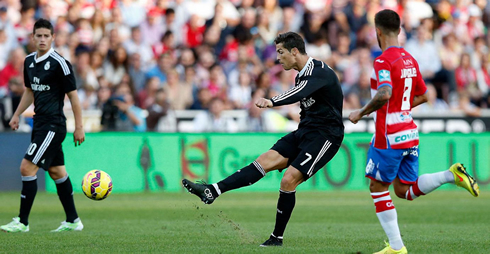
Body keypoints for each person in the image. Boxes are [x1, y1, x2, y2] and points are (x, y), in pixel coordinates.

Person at [182, 32, 344, 247]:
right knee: (264, 161)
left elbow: (298, 93)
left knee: (288, 180)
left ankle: (277, 238)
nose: (278, 57)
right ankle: (213, 190)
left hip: (326, 136)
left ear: (294, 51)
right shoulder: (302, 74)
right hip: (305, 131)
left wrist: (272, 101)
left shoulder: (319, 71)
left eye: (281, 52)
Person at [348, 10, 480, 254]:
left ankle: (397, 248)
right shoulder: (410, 59)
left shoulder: (382, 60)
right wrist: (399, 107)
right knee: (404, 190)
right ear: (399, 30)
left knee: (377, 189)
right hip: (409, 132)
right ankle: (451, 175)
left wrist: (361, 112)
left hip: (388, 136)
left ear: (377, 31)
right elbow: (423, 94)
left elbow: (385, 92)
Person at [0, 19, 85, 233]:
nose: (42, 39)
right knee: (57, 172)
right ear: (32, 37)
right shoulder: (28, 61)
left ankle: (22, 222)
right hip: (39, 123)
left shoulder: (61, 63)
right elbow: (30, 92)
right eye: (38, 35)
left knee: (27, 167)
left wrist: (79, 127)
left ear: (53, 37)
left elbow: (73, 97)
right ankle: (73, 221)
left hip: (53, 125)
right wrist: (17, 114)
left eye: (46, 35)